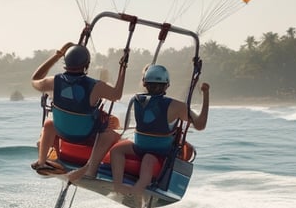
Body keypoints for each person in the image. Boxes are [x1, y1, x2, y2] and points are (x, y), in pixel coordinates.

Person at [70, 64, 209, 197]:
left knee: (122, 152)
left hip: (142, 147)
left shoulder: (136, 100)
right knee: (144, 159)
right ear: (167, 85)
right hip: (158, 149)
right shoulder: (177, 106)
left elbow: (127, 124)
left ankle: (121, 185)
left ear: (144, 83)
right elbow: (200, 125)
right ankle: (136, 187)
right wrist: (206, 94)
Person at [30, 42, 126, 174]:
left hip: (62, 132)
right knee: (110, 135)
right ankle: (90, 168)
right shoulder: (96, 86)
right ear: (86, 65)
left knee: (48, 124)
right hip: (85, 134)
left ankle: (41, 161)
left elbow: (35, 79)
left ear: (66, 63)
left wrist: (58, 55)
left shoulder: (53, 82)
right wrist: (123, 68)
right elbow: (117, 95)